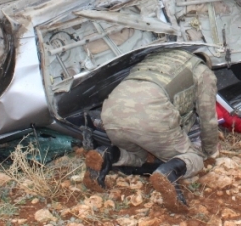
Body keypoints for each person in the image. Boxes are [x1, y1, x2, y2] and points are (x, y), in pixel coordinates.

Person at [84, 49, 219, 213]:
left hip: (112, 110)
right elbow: (208, 118)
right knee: (194, 157)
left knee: (138, 156)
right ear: (204, 62)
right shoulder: (203, 72)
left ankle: (106, 154)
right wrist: (210, 152)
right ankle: (169, 172)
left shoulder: (154, 58)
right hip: (152, 113)